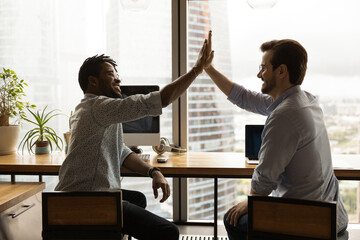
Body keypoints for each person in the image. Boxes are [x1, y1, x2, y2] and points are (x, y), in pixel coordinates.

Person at [55, 39, 209, 240]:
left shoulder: (88, 109)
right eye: (111, 74)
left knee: (138, 199)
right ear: (92, 81)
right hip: (90, 202)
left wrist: (153, 171)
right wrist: (197, 70)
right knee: (169, 232)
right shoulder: (99, 106)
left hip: (71, 199)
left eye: (117, 75)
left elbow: (122, 153)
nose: (118, 80)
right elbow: (159, 100)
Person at [202, 31, 348, 239]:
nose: (259, 74)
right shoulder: (305, 100)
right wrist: (209, 69)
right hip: (332, 216)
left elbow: (263, 182)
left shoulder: (284, 115)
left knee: (232, 218)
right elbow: (244, 98)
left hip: (307, 219)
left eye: (263, 67)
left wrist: (250, 203)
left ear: (281, 71)